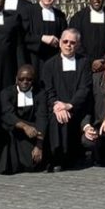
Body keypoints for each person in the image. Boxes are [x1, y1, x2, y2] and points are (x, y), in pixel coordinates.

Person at [39, 28, 92, 170]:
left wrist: (70, 105)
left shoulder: (84, 63)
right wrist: (57, 105)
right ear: (60, 43)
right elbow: (48, 89)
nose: (68, 45)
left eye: (72, 42)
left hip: (77, 107)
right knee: (57, 119)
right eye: (65, 41)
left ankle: (70, 158)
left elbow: (85, 88)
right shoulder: (49, 64)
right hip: (57, 107)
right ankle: (57, 158)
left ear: (78, 45)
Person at [0, 64, 48, 173]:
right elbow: (7, 114)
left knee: (31, 165)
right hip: (13, 130)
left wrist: (39, 145)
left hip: (32, 133)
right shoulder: (6, 93)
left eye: (29, 79)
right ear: (16, 79)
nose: (25, 82)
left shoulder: (40, 94)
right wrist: (25, 127)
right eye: (21, 79)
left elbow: (42, 118)